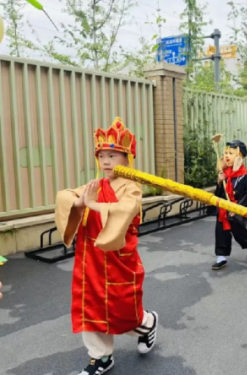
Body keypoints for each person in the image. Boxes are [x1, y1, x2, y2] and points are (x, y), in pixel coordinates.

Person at [55, 118, 158, 375]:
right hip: (90, 260)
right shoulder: (95, 185)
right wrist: (79, 204)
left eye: (113, 155)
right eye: (102, 156)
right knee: (89, 307)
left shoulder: (131, 188)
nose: (107, 161)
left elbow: (126, 211)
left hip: (117, 259)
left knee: (122, 313)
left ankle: (148, 322)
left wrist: (94, 206)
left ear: (127, 159)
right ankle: (100, 357)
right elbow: (65, 196)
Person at [212, 140, 247, 271]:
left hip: (238, 209)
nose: (226, 156)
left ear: (239, 156)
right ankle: (221, 256)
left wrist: (237, 209)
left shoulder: (245, 176)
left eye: (230, 153)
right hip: (224, 209)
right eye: (225, 153)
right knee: (221, 231)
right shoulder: (224, 173)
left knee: (238, 232)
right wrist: (220, 182)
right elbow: (219, 194)